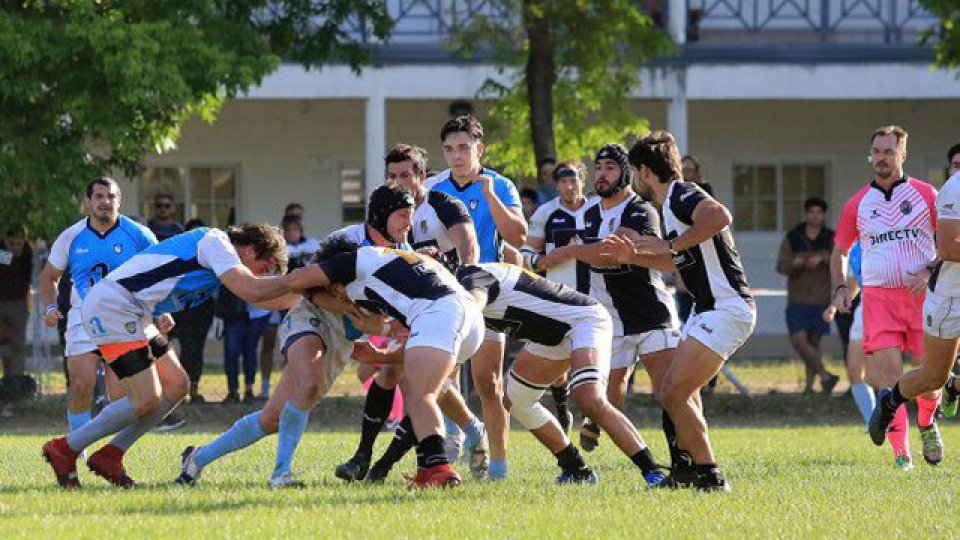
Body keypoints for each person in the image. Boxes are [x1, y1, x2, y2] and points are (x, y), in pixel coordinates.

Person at [41, 223, 295, 489]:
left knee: (176, 386)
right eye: (266, 268)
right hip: (115, 306)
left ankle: (111, 454)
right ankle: (65, 448)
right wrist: (300, 281)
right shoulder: (217, 242)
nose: (264, 276)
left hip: (135, 311)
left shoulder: (223, 255)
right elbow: (254, 290)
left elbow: (263, 298)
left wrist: (311, 296)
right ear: (252, 250)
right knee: (146, 399)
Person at [610, 130, 755, 491]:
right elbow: (679, 261)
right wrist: (636, 256)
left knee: (672, 391)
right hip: (706, 310)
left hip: (726, 308)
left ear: (644, 172)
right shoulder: (670, 203)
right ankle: (688, 468)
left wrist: (668, 243)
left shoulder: (682, 193)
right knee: (679, 393)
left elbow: (720, 216)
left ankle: (709, 474)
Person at [284, 239, 487, 487]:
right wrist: (381, 341)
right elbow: (404, 335)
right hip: (468, 318)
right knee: (415, 386)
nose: (338, 296)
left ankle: (441, 468)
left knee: (422, 394)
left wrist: (303, 288)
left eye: (335, 289)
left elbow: (294, 281)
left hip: (440, 313)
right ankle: (426, 469)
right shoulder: (390, 264)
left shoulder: (353, 262)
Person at [537, 144, 680, 470]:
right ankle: (598, 425)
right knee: (608, 386)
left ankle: (681, 461)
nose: (601, 174)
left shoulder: (640, 209)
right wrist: (577, 251)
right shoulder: (588, 213)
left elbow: (612, 252)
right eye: (598, 167)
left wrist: (568, 251)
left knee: (669, 392)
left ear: (626, 173)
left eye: (610, 168)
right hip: (608, 314)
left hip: (649, 312)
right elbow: (596, 250)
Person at [175, 288, 389, 488]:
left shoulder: (400, 263)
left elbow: (371, 340)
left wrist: (405, 352)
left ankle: (198, 458)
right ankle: (281, 474)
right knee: (308, 385)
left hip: (340, 339)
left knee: (272, 418)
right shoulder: (357, 254)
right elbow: (308, 282)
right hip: (310, 318)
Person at [830, 125, 941, 470]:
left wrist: (929, 271)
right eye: (876, 152)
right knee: (888, 379)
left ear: (902, 154)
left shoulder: (927, 195)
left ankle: (926, 421)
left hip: (922, 300)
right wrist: (841, 288)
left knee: (928, 378)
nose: (881, 159)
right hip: (878, 300)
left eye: (888, 152)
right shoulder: (857, 203)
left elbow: (950, 242)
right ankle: (901, 455)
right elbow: (840, 252)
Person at [428, 115, 527, 480]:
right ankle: (455, 441)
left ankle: (498, 468)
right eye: (449, 149)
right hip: (443, 293)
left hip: (490, 291)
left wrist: (488, 196)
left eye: (464, 148)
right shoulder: (433, 187)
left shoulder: (499, 185)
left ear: (479, 149)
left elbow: (518, 237)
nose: (456, 156)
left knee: (487, 382)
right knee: (441, 377)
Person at [39, 177, 160, 470]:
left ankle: (108, 455)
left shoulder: (140, 235)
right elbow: (48, 277)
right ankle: (74, 452)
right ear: (88, 202)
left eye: (111, 196)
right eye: (99, 196)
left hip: (125, 321)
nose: (105, 201)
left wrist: (160, 311)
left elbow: (160, 274)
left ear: (120, 200)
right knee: (81, 385)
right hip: (83, 319)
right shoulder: (71, 236)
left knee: (121, 397)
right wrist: (51, 306)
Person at [870, 146, 960, 463]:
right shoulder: (953, 188)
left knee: (943, 377)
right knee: (933, 376)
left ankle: (954, 385)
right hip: (951, 297)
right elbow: (948, 247)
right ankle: (890, 403)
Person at [521, 159, 593, 432]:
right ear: (556, 183)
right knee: (559, 360)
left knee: (591, 358)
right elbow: (527, 257)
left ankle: (592, 414)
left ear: (582, 180)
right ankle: (562, 408)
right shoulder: (545, 213)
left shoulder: (596, 210)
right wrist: (551, 258)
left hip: (595, 296)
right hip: (558, 297)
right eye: (563, 181)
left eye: (573, 180)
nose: (569, 186)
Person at [776, 197, 839, 394]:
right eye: (811, 212)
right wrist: (796, 262)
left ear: (823, 215)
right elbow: (781, 265)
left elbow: (840, 259)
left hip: (821, 298)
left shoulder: (830, 237)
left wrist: (822, 258)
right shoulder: (793, 237)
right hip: (797, 298)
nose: (815, 216)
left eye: (818, 212)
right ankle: (826, 375)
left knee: (814, 343)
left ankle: (811, 386)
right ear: (806, 214)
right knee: (799, 341)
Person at [169, 218, 215, 403]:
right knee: (182, 347)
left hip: (203, 309)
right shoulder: (178, 255)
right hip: (181, 308)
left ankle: (193, 387)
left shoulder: (212, 256)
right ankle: (178, 390)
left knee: (196, 349)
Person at [0, 226, 32, 379]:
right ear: (5, 241)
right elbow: (7, 260)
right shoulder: (2, 253)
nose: (16, 248)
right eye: (11, 244)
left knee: (18, 344)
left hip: (19, 304)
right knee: (4, 346)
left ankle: (17, 381)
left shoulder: (27, 253)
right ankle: (7, 379)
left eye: (19, 244)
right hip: (1, 302)